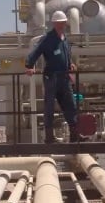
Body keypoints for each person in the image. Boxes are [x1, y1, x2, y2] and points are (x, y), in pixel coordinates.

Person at [25, 10, 85, 143]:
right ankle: (49, 136)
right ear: (54, 24)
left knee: (70, 105)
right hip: (51, 77)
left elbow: (67, 54)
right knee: (49, 106)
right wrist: (29, 65)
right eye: (59, 23)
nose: (61, 25)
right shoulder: (48, 39)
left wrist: (70, 63)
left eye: (63, 22)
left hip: (64, 77)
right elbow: (36, 50)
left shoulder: (64, 39)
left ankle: (74, 134)